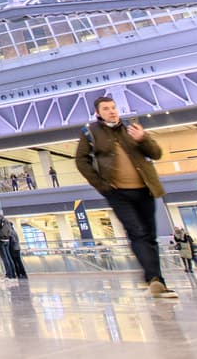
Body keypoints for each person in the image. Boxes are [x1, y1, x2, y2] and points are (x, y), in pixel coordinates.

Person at [74, 95, 177, 298]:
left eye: (113, 107)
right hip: (117, 192)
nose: (111, 111)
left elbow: (156, 153)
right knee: (137, 232)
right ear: (98, 113)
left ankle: (156, 280)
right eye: (106, 108)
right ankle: (154, 280)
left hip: (145, 188)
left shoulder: (132, 129)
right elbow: (81, 160)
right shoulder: (90, 133)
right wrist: (101, 185)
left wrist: (143, 138)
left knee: (149, 234)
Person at [0, 204, 27, 280]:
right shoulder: (3, 217)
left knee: (5, 258)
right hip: (6, 240)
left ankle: (9, 275)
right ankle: (13, 274)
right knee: (8, 257)